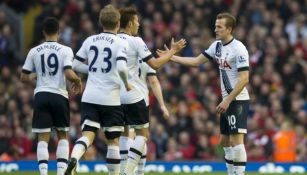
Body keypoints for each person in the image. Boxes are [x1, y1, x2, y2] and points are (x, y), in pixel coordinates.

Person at [158, 12, 249, 175]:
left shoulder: (239, 49)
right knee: (225, 141)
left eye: (219, 27)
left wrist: (227, 100)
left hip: (237, 99)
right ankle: (231, 173)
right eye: (215, 26)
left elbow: (244, 79)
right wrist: (171, 57)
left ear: (229, 29)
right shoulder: (217, 46)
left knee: (236, 139)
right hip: (226, 100)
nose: (216, 29)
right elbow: (196, 62)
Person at [117, 7, 185, 175]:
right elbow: (154, 73)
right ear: (131, 23)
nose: (139, 24)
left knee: (125, 134)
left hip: (115, 96)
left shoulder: (112, 41)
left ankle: (122, 171)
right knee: (142, 134)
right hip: (137, 96)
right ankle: (132, 172)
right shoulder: (138, 44)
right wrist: (173, 52)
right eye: (137, 21)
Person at [65, 5, 131, 175]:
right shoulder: (120, 42)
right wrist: (126, 83)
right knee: (113, 141)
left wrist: (95, 69)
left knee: (88, 135)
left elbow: (75, 65)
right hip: (111, 99)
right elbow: (123, 69)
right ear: (118, 23)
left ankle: (74, 158)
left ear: (101, 22)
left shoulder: (90, 40)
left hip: (90, 97)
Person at [20, 17, 82, 175]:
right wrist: (77, 80)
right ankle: (61, 173)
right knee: (62, 135)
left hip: (41, 94)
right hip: (59, 95)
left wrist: (35, 75)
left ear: (43, 32)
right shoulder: (66, 50)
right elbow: (68, 72)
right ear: (59, 32)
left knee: (43, 137)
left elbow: (23, 77)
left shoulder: (34, 51)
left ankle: (43, 173)